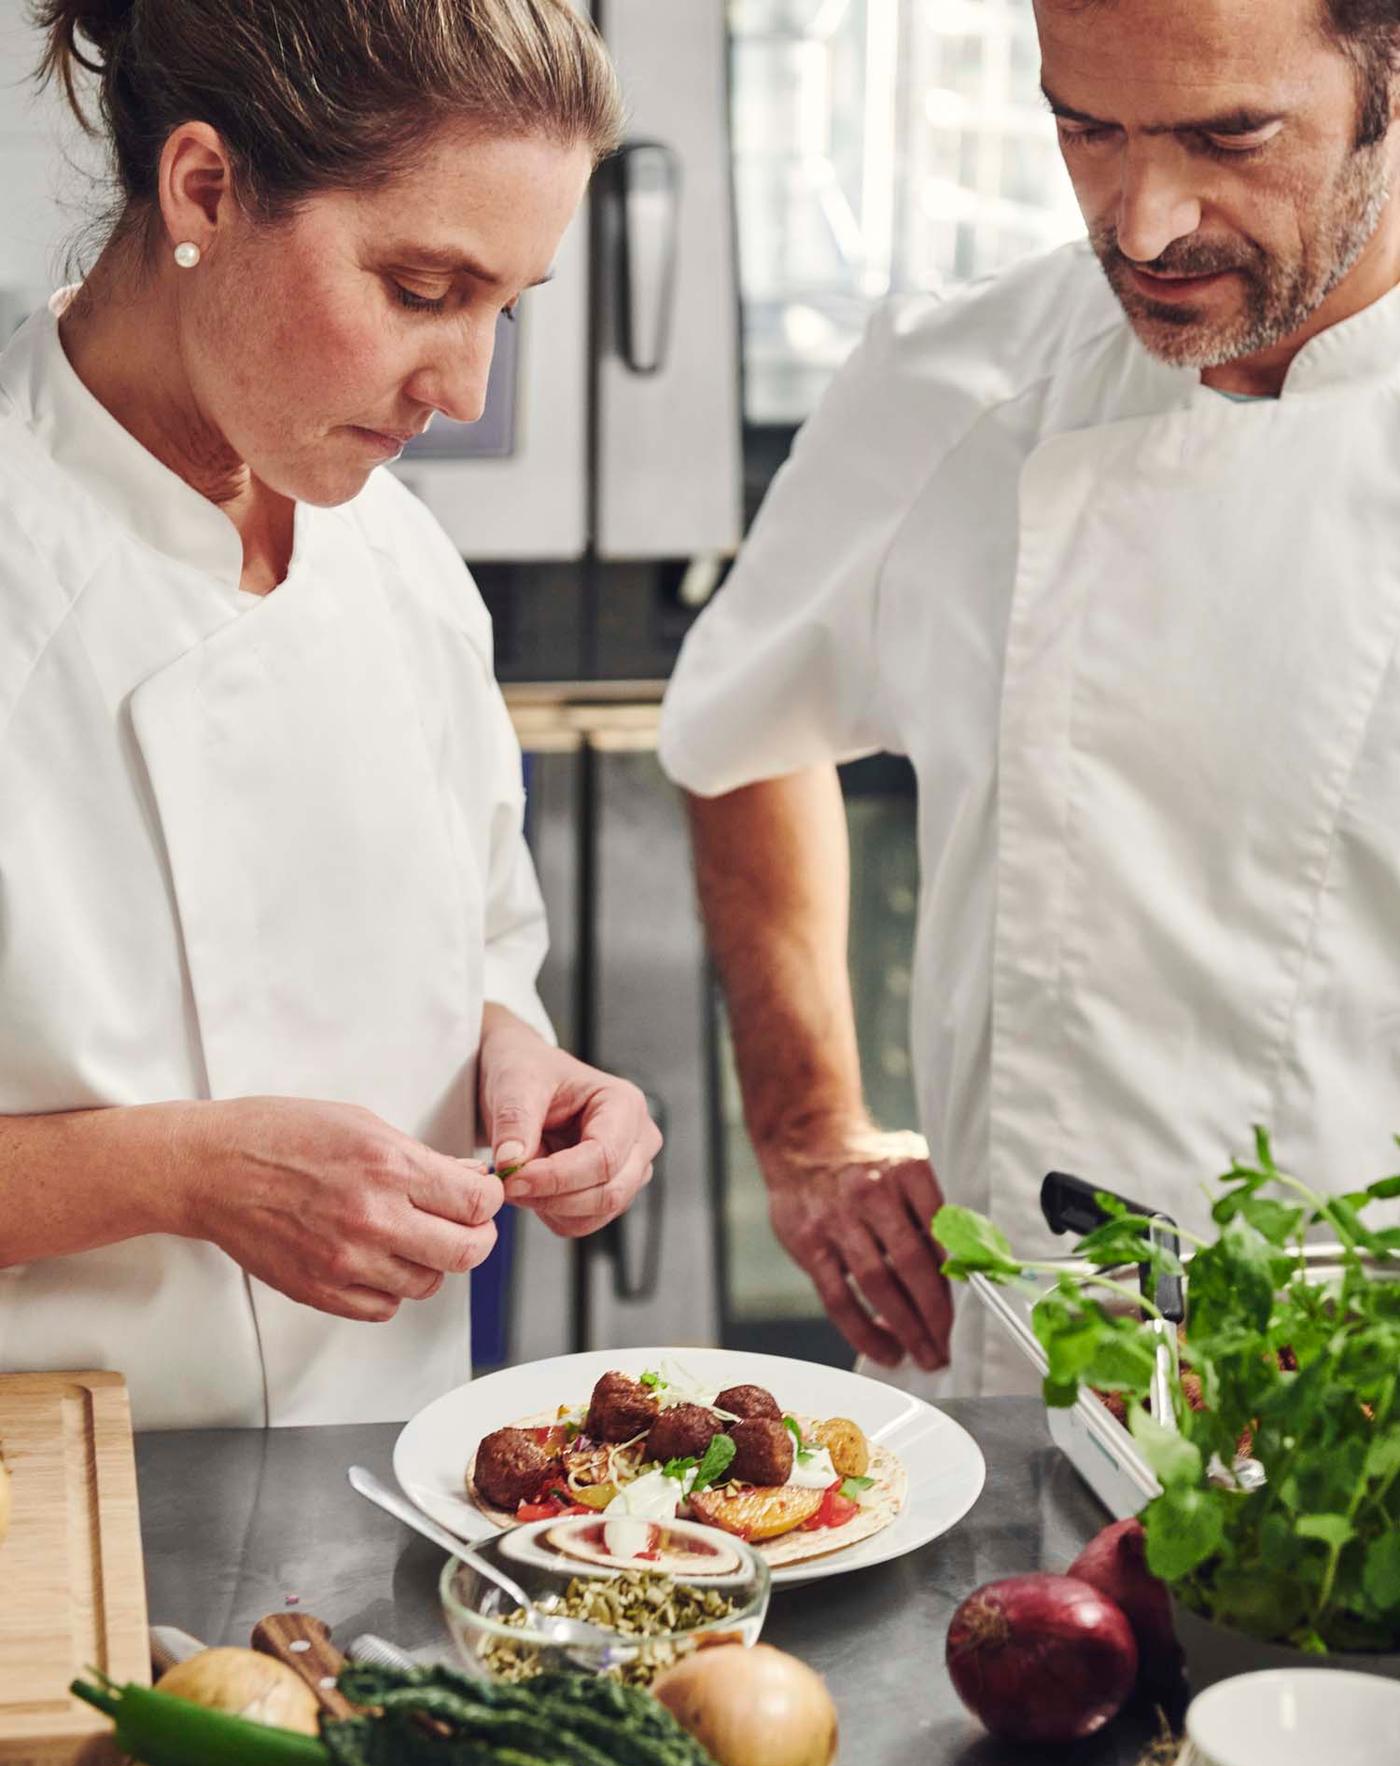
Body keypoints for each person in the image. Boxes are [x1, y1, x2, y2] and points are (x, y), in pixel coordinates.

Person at [660, 0, 1400, 1398]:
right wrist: (810, 1128)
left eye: (1228, 134)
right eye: (1086, 128)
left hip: (1360, 1445)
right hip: (1005, 1398)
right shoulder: (952, 389)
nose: (1143, 222)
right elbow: (738, 731)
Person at [0, 0, 662, 1430]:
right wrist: (184, 1174)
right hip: (49, 1518)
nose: (467, 389)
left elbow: (479, 946)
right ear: (206, 189)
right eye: (423, 290)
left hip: (390, 1486)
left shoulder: (400, 564)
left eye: (505, 306)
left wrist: (523, 1069)